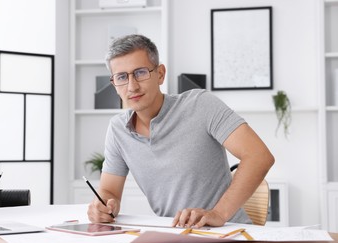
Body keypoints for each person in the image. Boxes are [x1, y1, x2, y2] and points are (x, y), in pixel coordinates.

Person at [87, 34, 275, 228]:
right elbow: (109, 192)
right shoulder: (118, 130)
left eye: (141, 72)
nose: (132, 86)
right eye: (122, 77)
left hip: (228, 233)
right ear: (114, 84)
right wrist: (103, 207)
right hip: (176, 237)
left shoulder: (200, 105)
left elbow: (259, 157)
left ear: (160, 74)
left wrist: (219, 214)